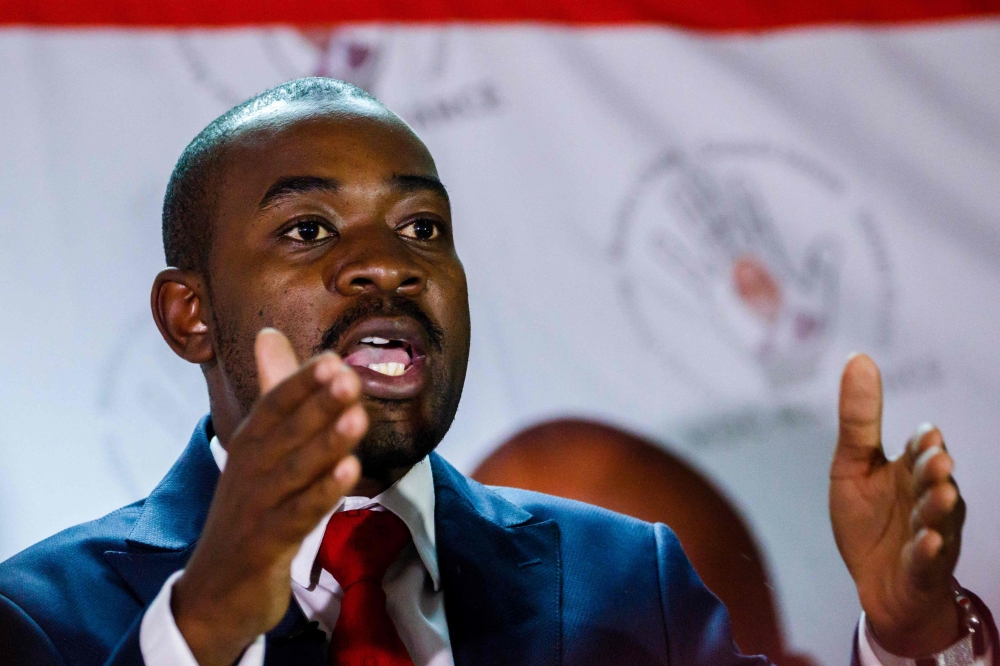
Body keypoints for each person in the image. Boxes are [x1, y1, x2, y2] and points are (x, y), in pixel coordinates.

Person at [0, 77, 993, 666]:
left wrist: (905, 642)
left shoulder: (626, 580)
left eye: (422, 227)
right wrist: (206, 622)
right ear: (191, 315)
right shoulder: (41, 614)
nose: (388, 262)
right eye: (308, 230)